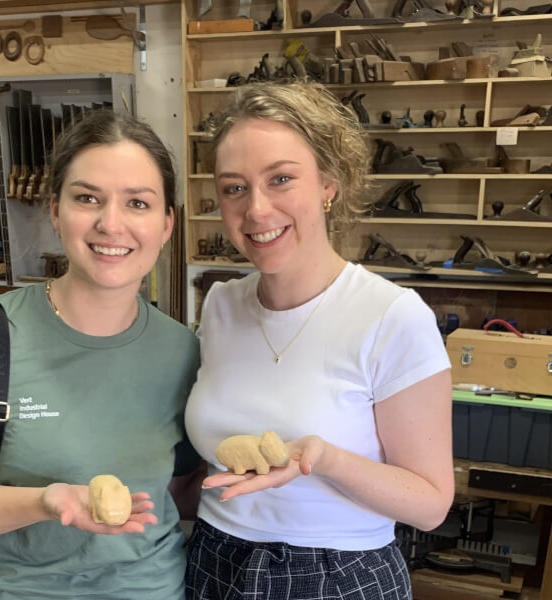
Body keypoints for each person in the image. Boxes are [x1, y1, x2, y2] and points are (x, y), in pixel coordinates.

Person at [0, 110, 202, 600]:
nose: (111, 223)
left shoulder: (182, 349)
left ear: (166, 224)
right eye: (87, 198)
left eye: (138, 203)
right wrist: (44, 501)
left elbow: (179, 492)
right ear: (55, 210)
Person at [184, 81, 454, 599]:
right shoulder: (220, 305)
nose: (256, 210)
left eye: (281, 179)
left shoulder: (392, 317)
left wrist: (324, 459)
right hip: (215, 559)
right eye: (234, 188)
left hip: (338, 572)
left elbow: (430, 505)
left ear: (329, 184)